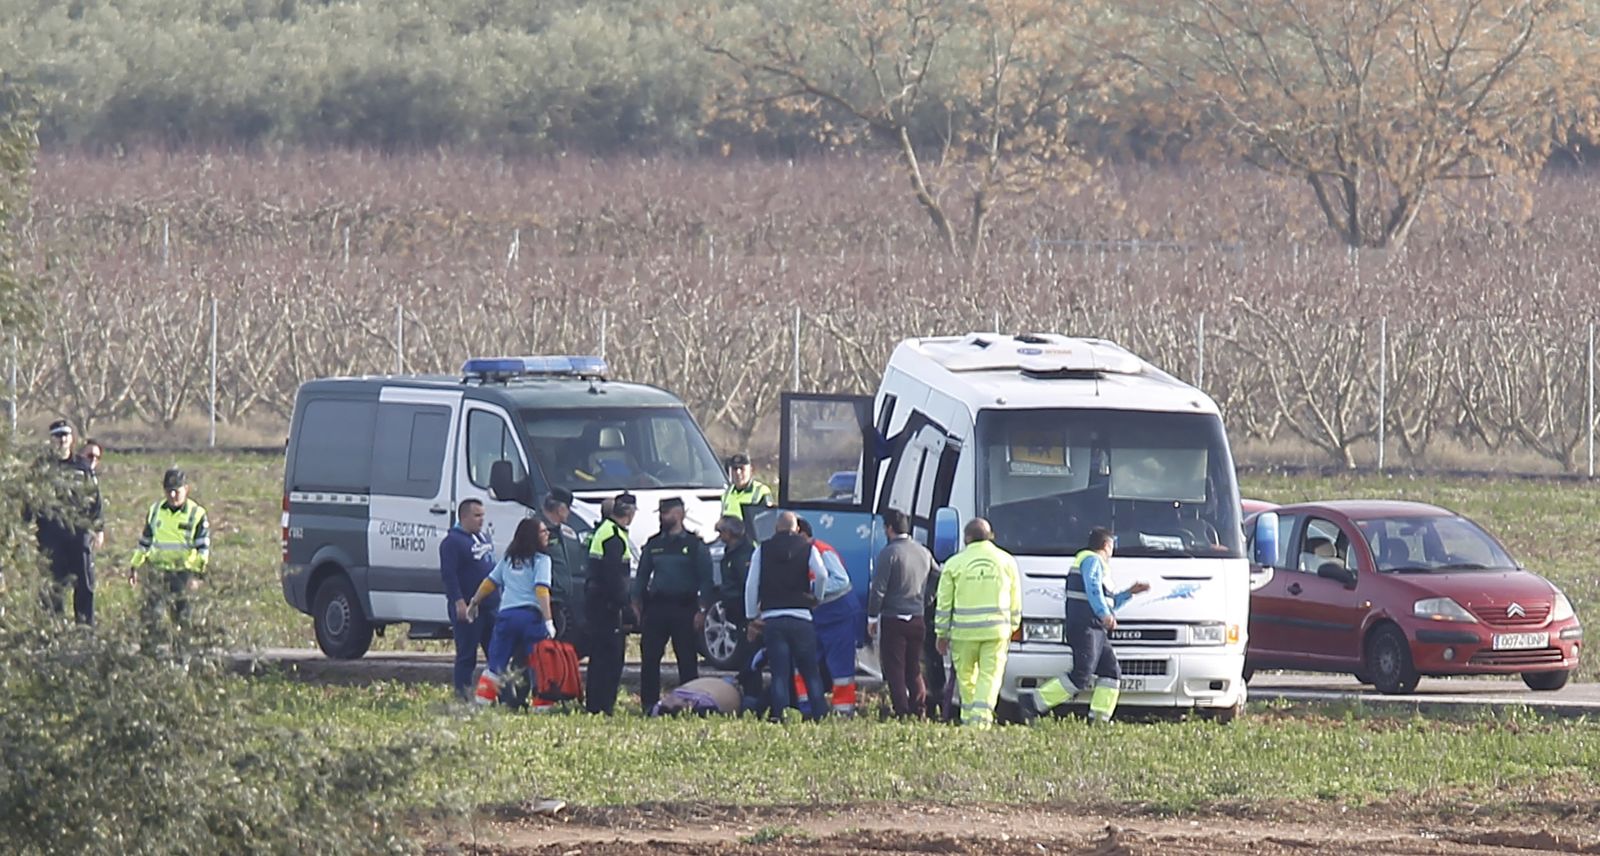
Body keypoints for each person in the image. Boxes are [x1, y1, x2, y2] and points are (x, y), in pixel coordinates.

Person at [1019, 527, 1150, 724]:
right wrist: (1104, 614)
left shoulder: (1094, 564)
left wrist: (1130, 593)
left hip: (1095, 627)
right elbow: (1093, 590)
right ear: (1107, 545)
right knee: (1081, 675)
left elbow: (1108, 600)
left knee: (1111, 672)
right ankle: (1033, 703)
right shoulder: (1091, 560)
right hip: (1086, 626)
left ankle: (1098, 718)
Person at [933, 518, 1020, 729]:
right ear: (991, 535)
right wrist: (1012, 626)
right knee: (990, 676)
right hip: (996, 631)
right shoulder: (1007, 561)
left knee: (966, 677)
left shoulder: (954, 563)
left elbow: (944, 603)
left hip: (963, 634)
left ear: (966, 537)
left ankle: (969, 719)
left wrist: (941, 633)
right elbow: (1015, 600)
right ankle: (981, 719)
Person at [632, 496, 715, 712]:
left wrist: (703, 610)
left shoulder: (694, 545)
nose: (662, 517)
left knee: (687, 658)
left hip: (684, 607)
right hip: (658, 607)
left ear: (679, 515)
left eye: (667, 513)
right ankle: (649, 704)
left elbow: (706, 580)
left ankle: (691, 702)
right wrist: (636, 601)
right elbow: (642, 576)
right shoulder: (654, 544)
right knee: (650, 657)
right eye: (661, 513)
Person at [744, 511, 828, 722]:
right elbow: (822, 574)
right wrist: (816, 597)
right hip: (801, 617)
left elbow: (751, 584)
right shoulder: (808, 548)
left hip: (774, 617)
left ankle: (779, 715)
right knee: (810, 671)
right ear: (797, 529)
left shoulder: (762, 549)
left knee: (779, 672)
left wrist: (752, 615)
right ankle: (820, 714)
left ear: (776, 528)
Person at [466, 517, 555, 708]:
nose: (548, 534)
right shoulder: (542, 560)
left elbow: (489, 583)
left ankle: (482, 702)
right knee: (538, 664)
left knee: (496, 664)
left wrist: (474, 602)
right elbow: (541, 590)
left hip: (506, 616)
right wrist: (549, 620)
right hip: (531, 617)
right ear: (533, 537)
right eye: (543, 531)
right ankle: (541, 705)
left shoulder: (508, 559)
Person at [867, 509, 934, 718]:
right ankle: (919, 708)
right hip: (917, 617)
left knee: (895, 667)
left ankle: (902, 711)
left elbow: (878, 589)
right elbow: (938, 575)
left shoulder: (889, 553)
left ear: (889, 528)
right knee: (914, 667)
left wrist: (871, 617)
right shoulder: (923, 552)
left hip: (893, 618)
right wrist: (926, 599)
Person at [35, 419, 102, 625]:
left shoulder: (82, 468)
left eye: (65, 435)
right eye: (57, 435)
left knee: (84, 583)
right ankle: (53, 630)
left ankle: (84, 630)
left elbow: (95, 500)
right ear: (51, 439)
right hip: (51, 534)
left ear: (72, 439)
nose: (62, 439)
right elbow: (30, 499)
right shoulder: (41, 467)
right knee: (53, 585)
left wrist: (98, 529)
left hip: (78, 534)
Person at [129, 467, 210, 627]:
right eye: (168, 491)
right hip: (158, 572)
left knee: (183, 619)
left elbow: (203, 549)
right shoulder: (155, 511)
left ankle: (182, 649)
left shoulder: (197, 514)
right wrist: (134, 566)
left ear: (186, 489)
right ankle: (151, 649)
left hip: (183, 574)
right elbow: (145, 542)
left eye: (176, 491)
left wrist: (197, 576)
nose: (172, 495)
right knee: (151, 617)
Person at [796, 516, 859, 716]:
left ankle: (843, 711)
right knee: (805, 664)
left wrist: (810, 590)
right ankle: (807, 709)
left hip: (838, 616)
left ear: (803, 535)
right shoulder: (800, 553)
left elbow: (840, 581)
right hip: (818, 618)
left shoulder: (821, 551)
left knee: (841, 669)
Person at [584, 492, 639, 714]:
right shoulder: (614, 536)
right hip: (607, 608)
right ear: (630, 513)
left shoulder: (604, 530)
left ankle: (595, 705)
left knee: (598, 658)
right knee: (610, 660)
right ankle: (602, 706)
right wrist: (626, 607)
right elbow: (615, 578)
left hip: (597, 605)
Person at [440, 498, 497, 702]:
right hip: (469, 606)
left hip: (490, 605)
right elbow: (449, 575)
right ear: (464, 517)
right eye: (477, 515)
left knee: (496, 652)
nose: (481, 519)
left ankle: (496, 695)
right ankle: (462, 696)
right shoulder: (452, 542)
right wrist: (459, 602)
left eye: (483, 515)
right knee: (467, 654)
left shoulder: (483, 537)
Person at [536, 487, 587, 653]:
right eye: (568, 508)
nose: (569, 513)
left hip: (560, 599)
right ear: (560, 509)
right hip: (547, 599)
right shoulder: (538, 530)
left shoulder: (558, 530)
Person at [714, 515, 759, 685]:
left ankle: (751, 687)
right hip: (734, 606)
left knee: (749, 650)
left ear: (730, 533)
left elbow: (747, 583)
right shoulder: (731, 551)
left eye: (721, 532)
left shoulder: (743, 554)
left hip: (743, 607)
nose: (719, 536)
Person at [720, 453, 772, 520]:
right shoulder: (727, 493)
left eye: (742, 468)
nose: (738, 472)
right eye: (735, 469)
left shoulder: (761, 491)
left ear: (751, 470)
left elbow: (767, 520)